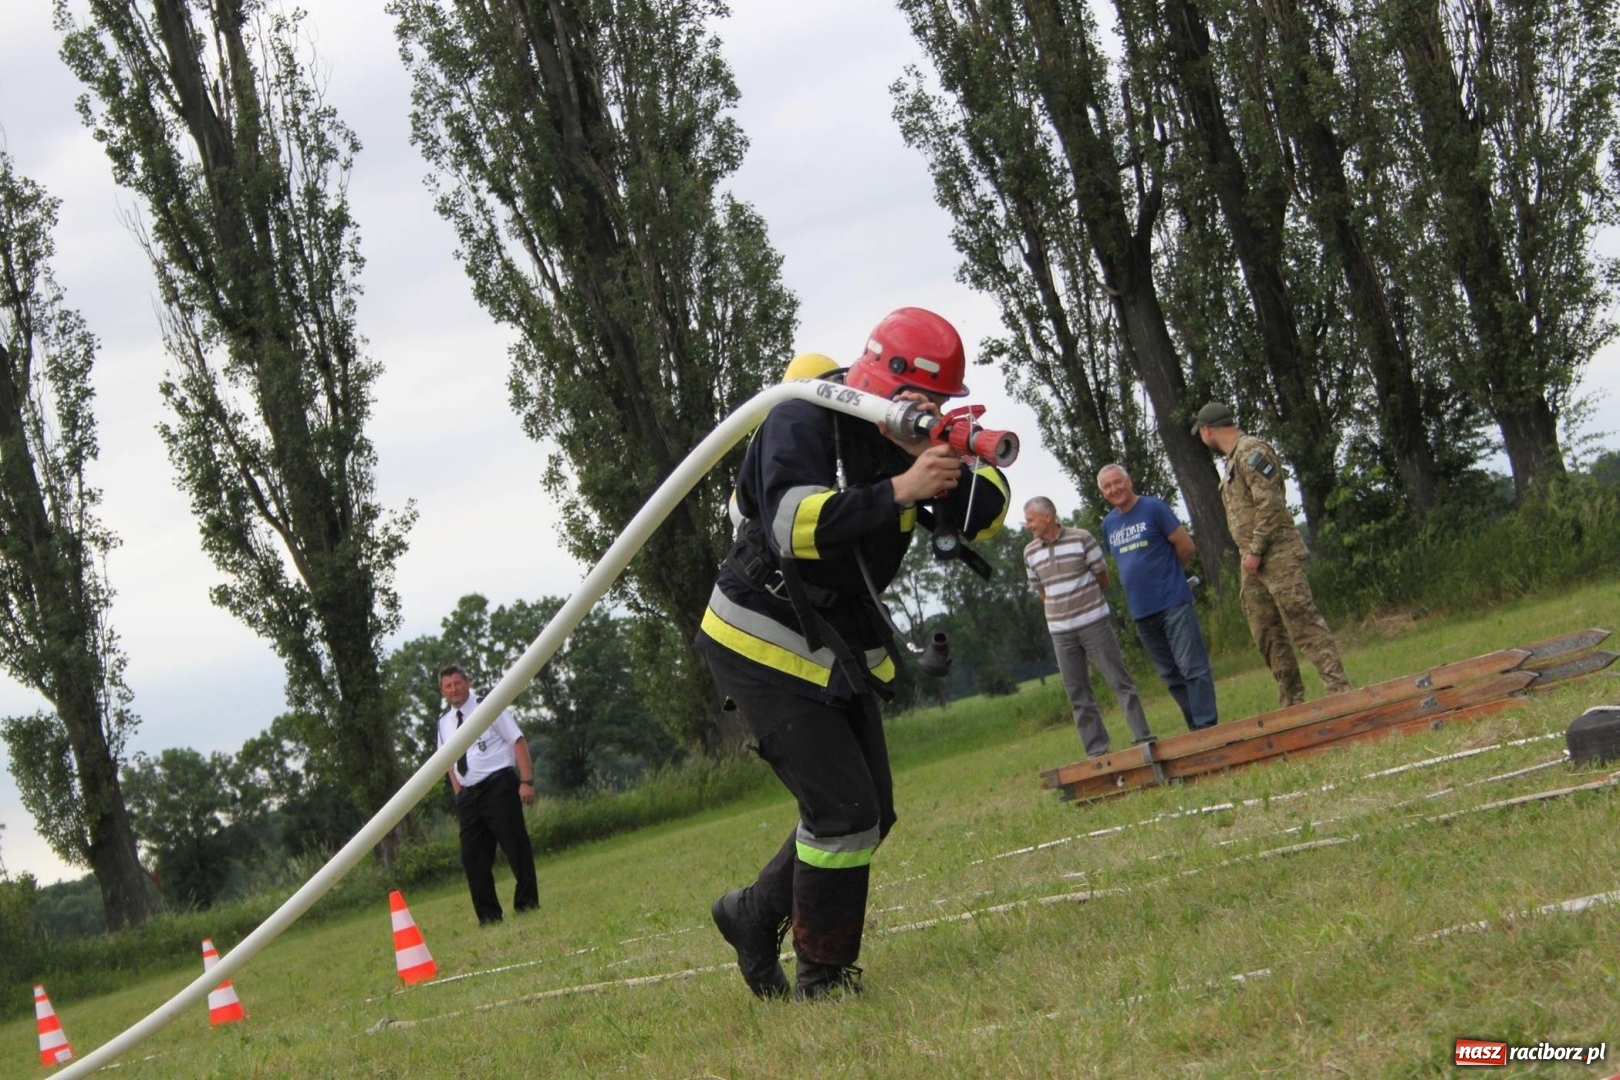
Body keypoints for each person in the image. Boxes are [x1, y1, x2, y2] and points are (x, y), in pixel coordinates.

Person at [699, 307, 1009, 1001]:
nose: (927, 412)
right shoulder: (803, 414)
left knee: (873, 813)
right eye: (921, 399)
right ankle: (823, 978)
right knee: (843, 812)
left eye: (940, 403)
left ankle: (751, 915)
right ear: (880, 376)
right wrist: (902, 488)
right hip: (760, 633)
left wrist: (966, 465)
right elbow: (789, 523)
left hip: (835, 641)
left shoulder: (907, 441)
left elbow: (984, 519)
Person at [1192, 403, 1351, 706]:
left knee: (1302, 620)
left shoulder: (1252, 452)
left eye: (1200, 433)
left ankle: (1339, 691)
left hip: (1275, 554)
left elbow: (1271, 504)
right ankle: (1291, 699)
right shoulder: (1232, 461)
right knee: (1266, 630)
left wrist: (1255, 550)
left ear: (1206, 430)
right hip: (1251, 561)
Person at [1022, 495, 1156, 756]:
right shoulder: (1029, 552)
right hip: (1061, 631)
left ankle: (1143, 737)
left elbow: (1101, 576)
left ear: (1047, 516)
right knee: (1077, 692)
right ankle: (1097, 751)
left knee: (1119, 680)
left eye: (1030, 520)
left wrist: (1085, 605)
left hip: (1093, 622)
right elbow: (1040, 590)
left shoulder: (1081, 538)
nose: (1028, 525)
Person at [1096, 464, 1218, 731]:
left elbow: (1186, 546)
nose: (1114, 489)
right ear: (1103, 493)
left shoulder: (1154, 508)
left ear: (1129, 482)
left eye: (1118, 482)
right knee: (1170, 675)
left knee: (1191, 667)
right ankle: (1194, 727)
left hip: (1173, 601)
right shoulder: (1109, 524)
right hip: (1141, 611)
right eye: (1107, 487)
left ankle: (1208, 726)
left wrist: (1169, 574)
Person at [436, 664, 539, 925]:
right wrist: (459, 791)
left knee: (515, 846)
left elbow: (517, 740)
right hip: (468, 795)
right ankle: (489, 916)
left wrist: (526, 781)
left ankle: (527, 904)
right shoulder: (443, 723)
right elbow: (446, 761)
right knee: (473, 858)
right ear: (442, 691)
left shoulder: (489, 706)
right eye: (448, 686)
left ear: (467, 683)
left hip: (498, 785)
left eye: (457, 683)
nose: (454, 689)